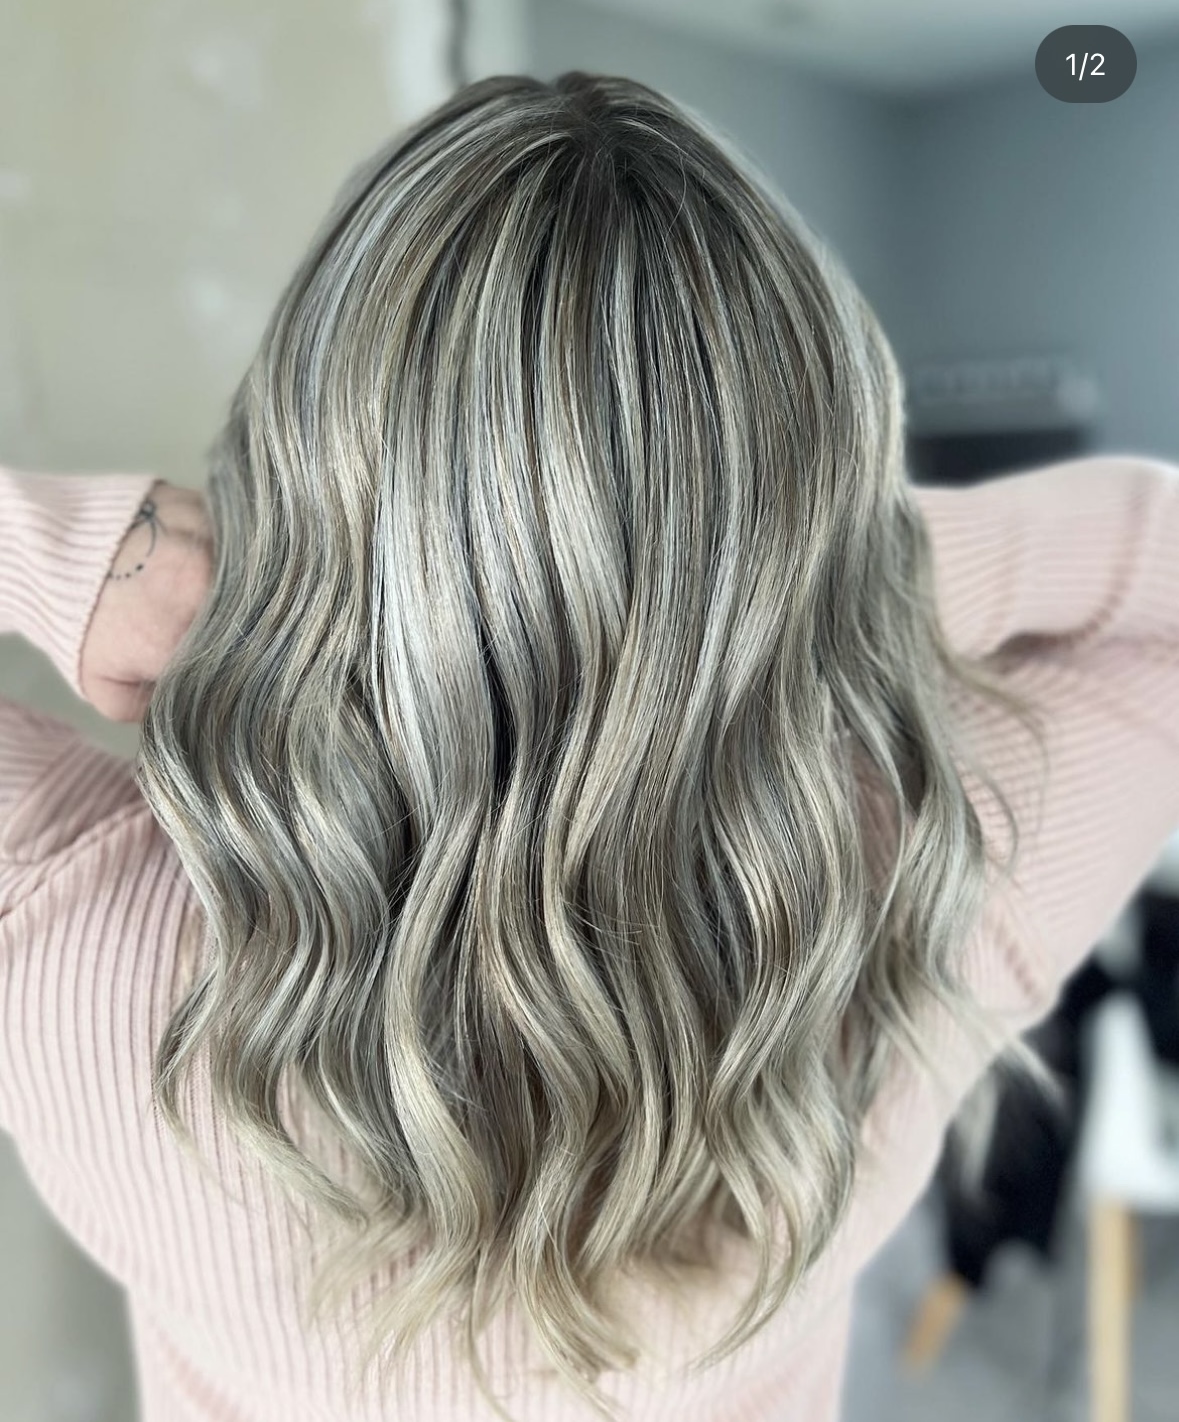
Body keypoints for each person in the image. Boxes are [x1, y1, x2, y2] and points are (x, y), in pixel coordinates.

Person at [1, 71, 1177, 1422]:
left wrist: (86, 559)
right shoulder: (927, 900)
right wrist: (828, 598)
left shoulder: (64, 938)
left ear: (298, 473)